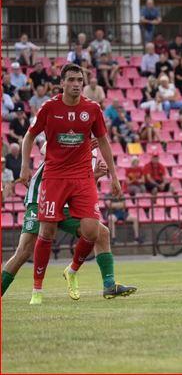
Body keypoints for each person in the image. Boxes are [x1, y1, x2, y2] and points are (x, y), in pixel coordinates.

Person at [17, 64, 122, 305]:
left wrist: (114, 176)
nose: (76, 84)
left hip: (82, 177)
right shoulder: (49, 107)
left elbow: (103, 141)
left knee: (92, 231)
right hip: (54, 177)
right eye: (72, 80)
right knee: (47, 232)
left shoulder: (92, 109)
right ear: (62, 83)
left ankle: (72, 270)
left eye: (80, 80)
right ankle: (37, 290)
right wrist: (24, 166)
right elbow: (30, 136)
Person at [2, 150, 135, 299]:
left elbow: (82, 185)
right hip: (41, 198)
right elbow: (46, 149)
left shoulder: (93, 150)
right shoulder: (71, 137)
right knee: (24, 251)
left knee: (102, 233)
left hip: (67, 203)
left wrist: (95, 176)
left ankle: (109, 285)